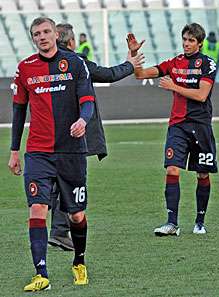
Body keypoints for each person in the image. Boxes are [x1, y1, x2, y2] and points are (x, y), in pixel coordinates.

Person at [8, 17, 96, 291]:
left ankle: (79, 261)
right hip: (38, 152)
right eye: (37, 34)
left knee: (76, 216)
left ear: (56, 34)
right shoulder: (25, 69)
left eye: (47, 32)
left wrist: (83, 120)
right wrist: (14, 151)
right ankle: (41, 274)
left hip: (71, 151)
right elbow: (19, 111)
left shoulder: (74, 64)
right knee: (37, 208)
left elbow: (87, 99)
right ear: (33, 38)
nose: (43, 37)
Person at [46, 23, 144, 252]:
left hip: (51, 131)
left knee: (56, 181)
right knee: (71, 181)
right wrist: (131, 63)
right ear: (71, 42)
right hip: (74, 132)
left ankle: (57, 230)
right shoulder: (76, 62)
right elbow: (108, 74)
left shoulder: (44, 64)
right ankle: (60, 231)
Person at [126, 23, 217, 236]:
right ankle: (171, 223)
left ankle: (200, 221)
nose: (186, 43)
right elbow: (140, 75)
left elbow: (202, 95)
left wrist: (173, 86)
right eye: (184, 39)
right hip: (178, 125)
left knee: (202, 174)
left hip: (201, 126)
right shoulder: (174, 63)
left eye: (191, 40)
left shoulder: (207, 64)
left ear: (200, 43)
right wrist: (134, 52)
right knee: (172, 169)